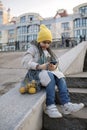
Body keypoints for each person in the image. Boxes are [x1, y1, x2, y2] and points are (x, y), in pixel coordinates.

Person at [22, 24, 84, 118]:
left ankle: (66, 105)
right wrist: (38, 66)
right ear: (39, 40)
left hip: (45, 73)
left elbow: (53, 63)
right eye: (44, 42)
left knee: (60, 76)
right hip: (34, 74)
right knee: (50, 77)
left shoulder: (48, 51)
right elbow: (25, 62)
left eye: (48, 43)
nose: (46, 45)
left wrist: (53, 67)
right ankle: (50, 105)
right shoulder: (33, 49)